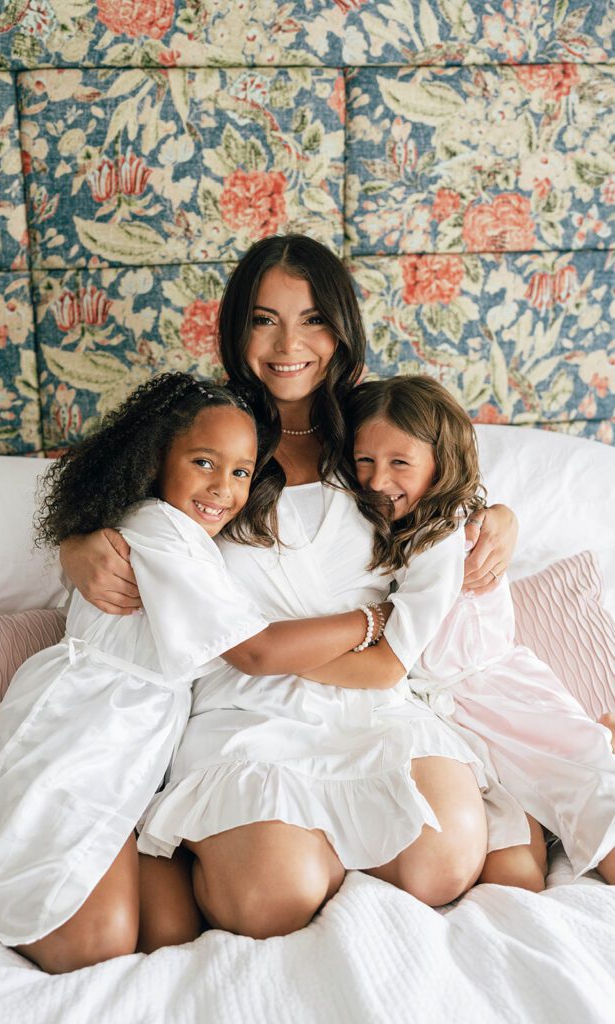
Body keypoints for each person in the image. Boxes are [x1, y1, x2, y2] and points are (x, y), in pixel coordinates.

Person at [64, 235, 520, 940]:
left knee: (444, 862)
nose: (288, 344)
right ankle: (201, 851)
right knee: (273, 898)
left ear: (342, 327)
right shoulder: (207, 432)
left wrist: (503, 518)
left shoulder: (381, 425)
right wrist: (74, 543)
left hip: (374, 700)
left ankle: (330, 857)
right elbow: (97, 496)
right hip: (245, 706)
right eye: (263, 319)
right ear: (235, 328)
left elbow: (450, 493)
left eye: (311, 319)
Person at [0, 372, 388, 974]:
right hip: (86, 727)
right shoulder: (159, 529)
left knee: (174, 932)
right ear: (157, 458)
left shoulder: (199, 543)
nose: (223, 488)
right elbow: (257, 652)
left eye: (241, 472)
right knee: (92, 947)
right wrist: (374, 619)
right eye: (204, 462)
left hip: (150, 746)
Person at [343, 374, 615, 888]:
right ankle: (538, 822)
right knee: (515, 877)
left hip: (510, 705)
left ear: (441, 464)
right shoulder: (361, 530)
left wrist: (501, 516)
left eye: (400, 462)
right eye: (365, 461)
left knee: (597, 804)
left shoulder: (459, 529)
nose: (378, 481)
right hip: (449, 725)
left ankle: (597, 749)